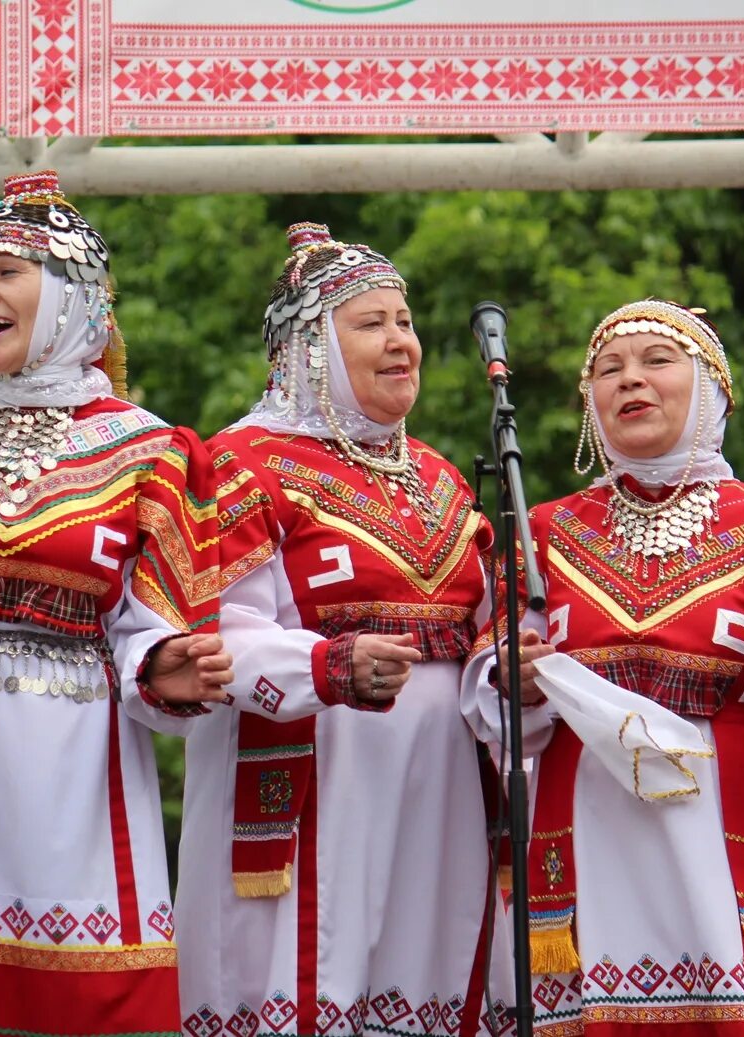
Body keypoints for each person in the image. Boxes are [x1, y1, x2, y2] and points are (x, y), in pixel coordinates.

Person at [0, 170, 270, 1036]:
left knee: (80, 995)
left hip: (73, 766)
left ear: (71, 295)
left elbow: (144, 625)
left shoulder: (150, 449)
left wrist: (163, 660)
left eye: (9, 271)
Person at [461, 298, 744, 1034]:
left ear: (712, 389)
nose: (631, 381)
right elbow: (489, 691)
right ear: (589, 405)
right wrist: (513, 677)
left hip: (724, 821)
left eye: (657, 361)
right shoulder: (542, 530)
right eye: (607, 369)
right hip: (586, 823)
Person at [174, 222, 501, 1037]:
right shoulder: (242, 463)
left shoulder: (442, 478)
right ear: (310, 347)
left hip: (441, 794)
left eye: (405, 322)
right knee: (307, 981)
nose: (401, 342)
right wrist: (328, 662)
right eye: (371, 323)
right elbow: (217, 631)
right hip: (322, 775)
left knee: (423, 982)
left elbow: (489, 625)